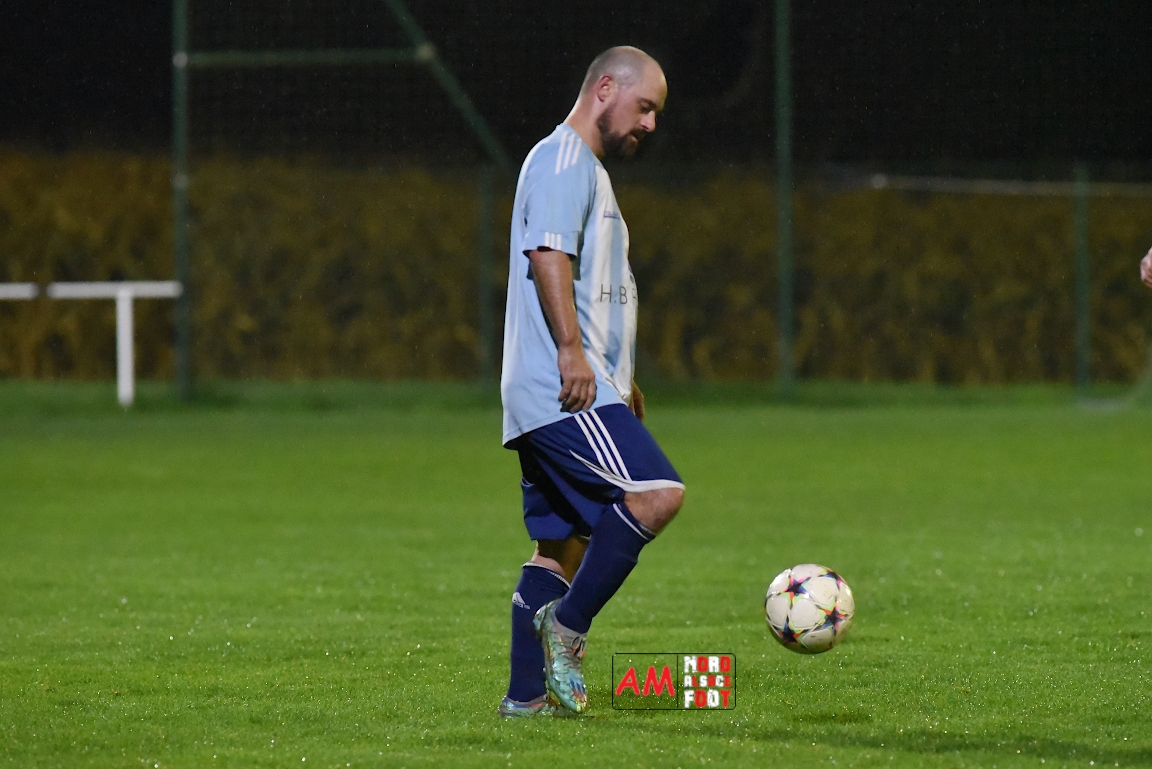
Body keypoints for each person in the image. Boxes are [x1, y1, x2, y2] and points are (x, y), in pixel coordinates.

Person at [497, 46, 684, 717]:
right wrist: (573, 354)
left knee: (560, 548)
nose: (650, 124)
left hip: (566, 385)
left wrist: (618, 377)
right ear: (606, 88)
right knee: (657, 494)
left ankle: (525, 700)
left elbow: (595, 286)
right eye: (645, 107)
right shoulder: (563, 160)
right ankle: (567, 629)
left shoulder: (581, 169)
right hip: (562, 387)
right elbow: (548, 253)